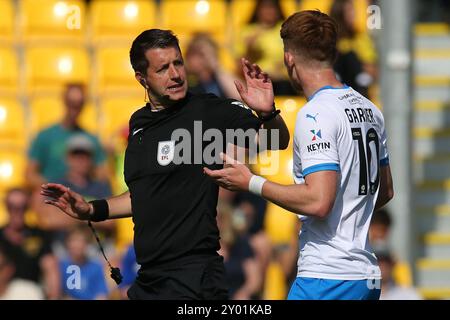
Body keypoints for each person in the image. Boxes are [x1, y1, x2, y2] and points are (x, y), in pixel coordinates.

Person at [40, 29, 290, 300]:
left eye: (178, 63)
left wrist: (267, 112)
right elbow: (142, 197)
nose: (175, 74)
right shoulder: (138, 125)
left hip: (195, 278)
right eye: (162, 69)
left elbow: (277, 139)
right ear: (142, 78)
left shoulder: (206, 111)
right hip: (148, 278)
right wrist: (91, 209)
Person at [204, 10, 394, 300]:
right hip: (363, 277)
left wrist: (251, 182)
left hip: (327, 277)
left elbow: (318, 202)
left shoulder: (315, 114)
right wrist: (267, 114)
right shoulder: (370, 109)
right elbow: (385, 191)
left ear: (289, 57)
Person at [26, 83, 107, 189]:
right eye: (71, 103)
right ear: (64, 102)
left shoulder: (91, 139)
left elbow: (102, 174)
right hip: (52, 197)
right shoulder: (45, 136)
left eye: (79, 104)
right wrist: (54, 187)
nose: (75, 107)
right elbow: (30, 174)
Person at [0, 188, 60, 299]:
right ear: (6, 207)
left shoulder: (39, 235)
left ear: (28, 208)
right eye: (12, 206)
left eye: (22, 207)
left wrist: (54, 296)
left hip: (30, 291)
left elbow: (50, 267)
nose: (17, 211)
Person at [185, 32, 240, 100]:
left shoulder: (219, 78)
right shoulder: (185, 81)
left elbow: (239, 96)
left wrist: (217, 67)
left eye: (204, 55)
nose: (202, 60)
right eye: (197, 54)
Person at [59, 226, 109, 300]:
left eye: (81, 241)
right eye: (73, 241)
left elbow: (101, 294)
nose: (77, 245)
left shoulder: (96, 267)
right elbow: (57, 293)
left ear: (87, 244)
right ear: (67, 243)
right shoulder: (61, 266)